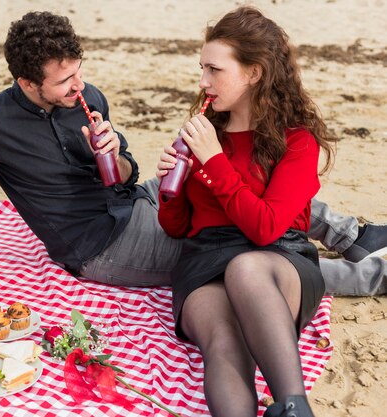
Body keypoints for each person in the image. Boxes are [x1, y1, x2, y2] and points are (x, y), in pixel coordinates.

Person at [0, 11, 387, 297]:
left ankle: (350, 234)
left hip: (132, 202)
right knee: (231, 254)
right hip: (99, 245)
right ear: (28, 82)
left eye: (79, 70)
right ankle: (370, 278)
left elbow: (124, 177)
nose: (80, 85)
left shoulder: (89, 99)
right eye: (64, 79)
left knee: (238, 188)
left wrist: (119, 157)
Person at [155, 6, 343, 416]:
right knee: (223, 337)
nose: (203, 82)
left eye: (214, 70)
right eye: (201, 68)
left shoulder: (297, 140)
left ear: (254, 72)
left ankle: (294, 408)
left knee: (247, 267)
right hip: (205, 259)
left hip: (279, 260)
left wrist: (215, 161)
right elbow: (178, 227)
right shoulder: (206, 131)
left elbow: (265, 229)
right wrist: (171, 188)